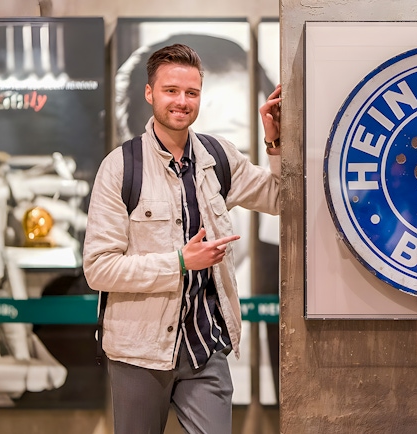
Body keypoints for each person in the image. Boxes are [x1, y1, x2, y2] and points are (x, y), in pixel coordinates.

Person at [83, 43, 281, 434]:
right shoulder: (120, 167)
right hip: (139, 352)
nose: (182, 101)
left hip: (206, 349)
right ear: (150, 93)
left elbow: (279, 197)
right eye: (171, 90)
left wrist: (274, 142)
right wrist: (178, 262)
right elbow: (98, 268)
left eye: (191, 93)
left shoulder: (218, 155)